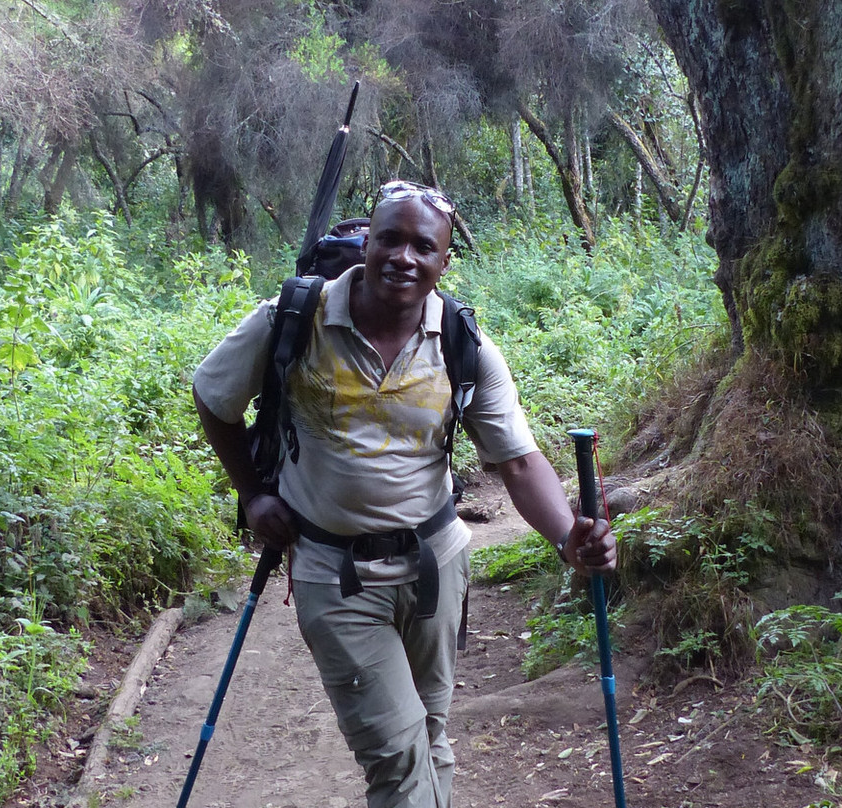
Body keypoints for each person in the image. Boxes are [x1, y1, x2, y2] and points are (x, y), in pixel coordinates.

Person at [192, 180, 617, 808]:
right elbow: (213, 397)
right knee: (396, 753)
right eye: (389, 238)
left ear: (445, 261)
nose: (403, 257)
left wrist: (567, 539)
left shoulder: (463, 345)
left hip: (434, 566)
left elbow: (521, 463)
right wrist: (254, 496)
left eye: (424, 246)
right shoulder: (295, 320)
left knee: (429, 734)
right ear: (367, 241)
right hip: (332, 573)